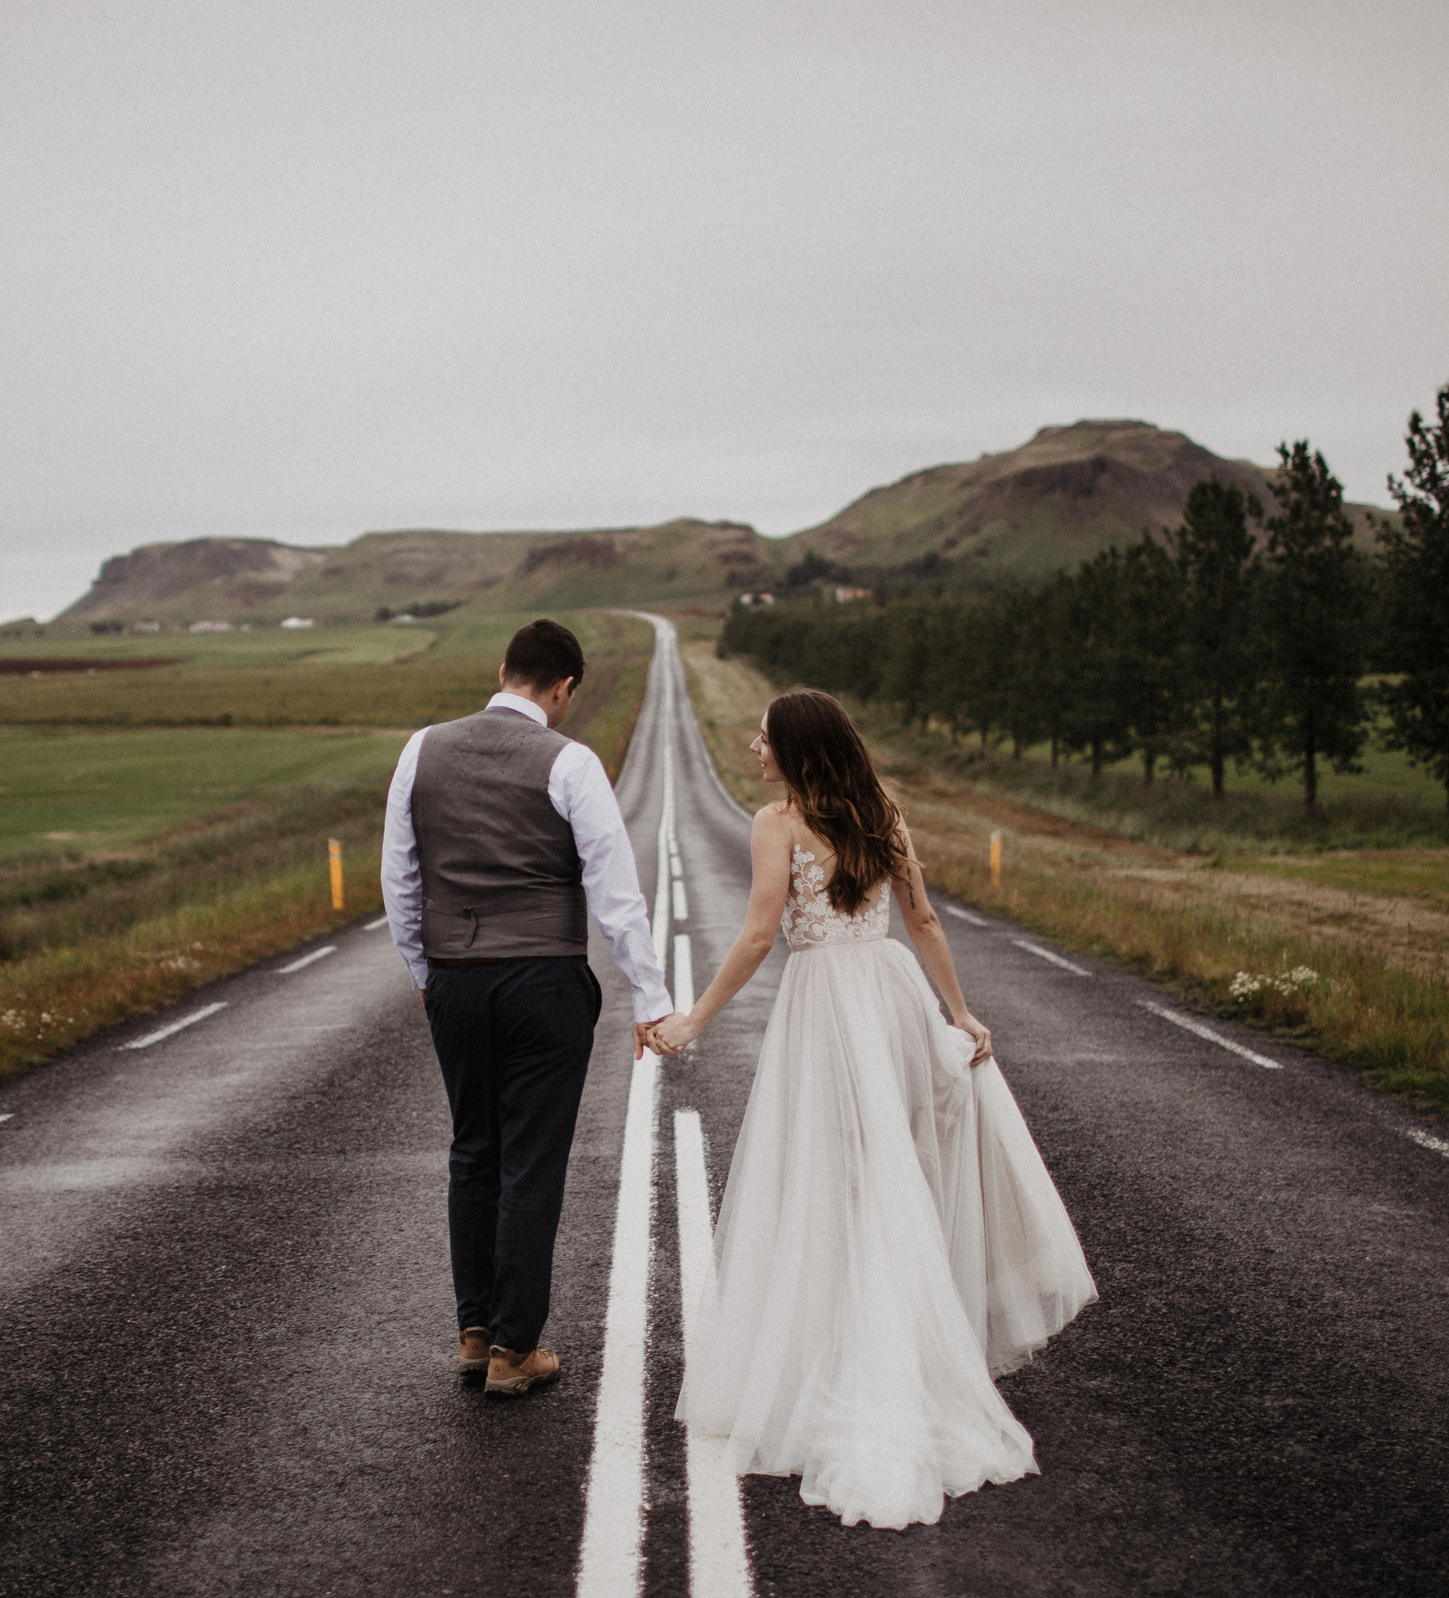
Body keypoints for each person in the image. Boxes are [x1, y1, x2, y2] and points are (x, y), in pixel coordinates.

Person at [653, 688, 1097, 1527]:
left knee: (829, 1179)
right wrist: (955, 1012)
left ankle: (851, 1354)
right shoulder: (880, 809)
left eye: (764, 737)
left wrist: (693, 1019)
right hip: (889, 994)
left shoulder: (775, 824)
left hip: (825, 1006)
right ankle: (900, 1340)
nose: (754, 747)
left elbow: (755, 937)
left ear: (797, 747)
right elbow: (921, 918)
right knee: (895, 1172)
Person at [381, 619, 673, 1397]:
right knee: (532, 1160)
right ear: (564, 687)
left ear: (502, 668)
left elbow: (399, 877)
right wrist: (651, 997)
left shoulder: (422, 749)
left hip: (455, 977)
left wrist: (426, 968)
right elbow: (615, 890)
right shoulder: (570, 762)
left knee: (473, 1148)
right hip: (543, 979)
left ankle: (474, 1332)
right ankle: (516, 1348)